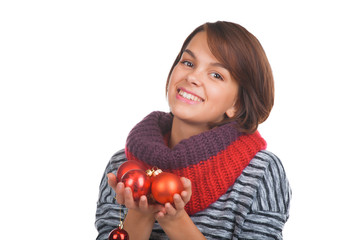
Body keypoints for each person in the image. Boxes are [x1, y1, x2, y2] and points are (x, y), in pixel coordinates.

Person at [95, 21, 291, 240]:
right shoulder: (122, 168)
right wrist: (140, 214)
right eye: (188, 62)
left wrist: (175, 220)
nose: (192, 77)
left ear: (237, 104)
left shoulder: (260, 172)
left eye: (216, 75)